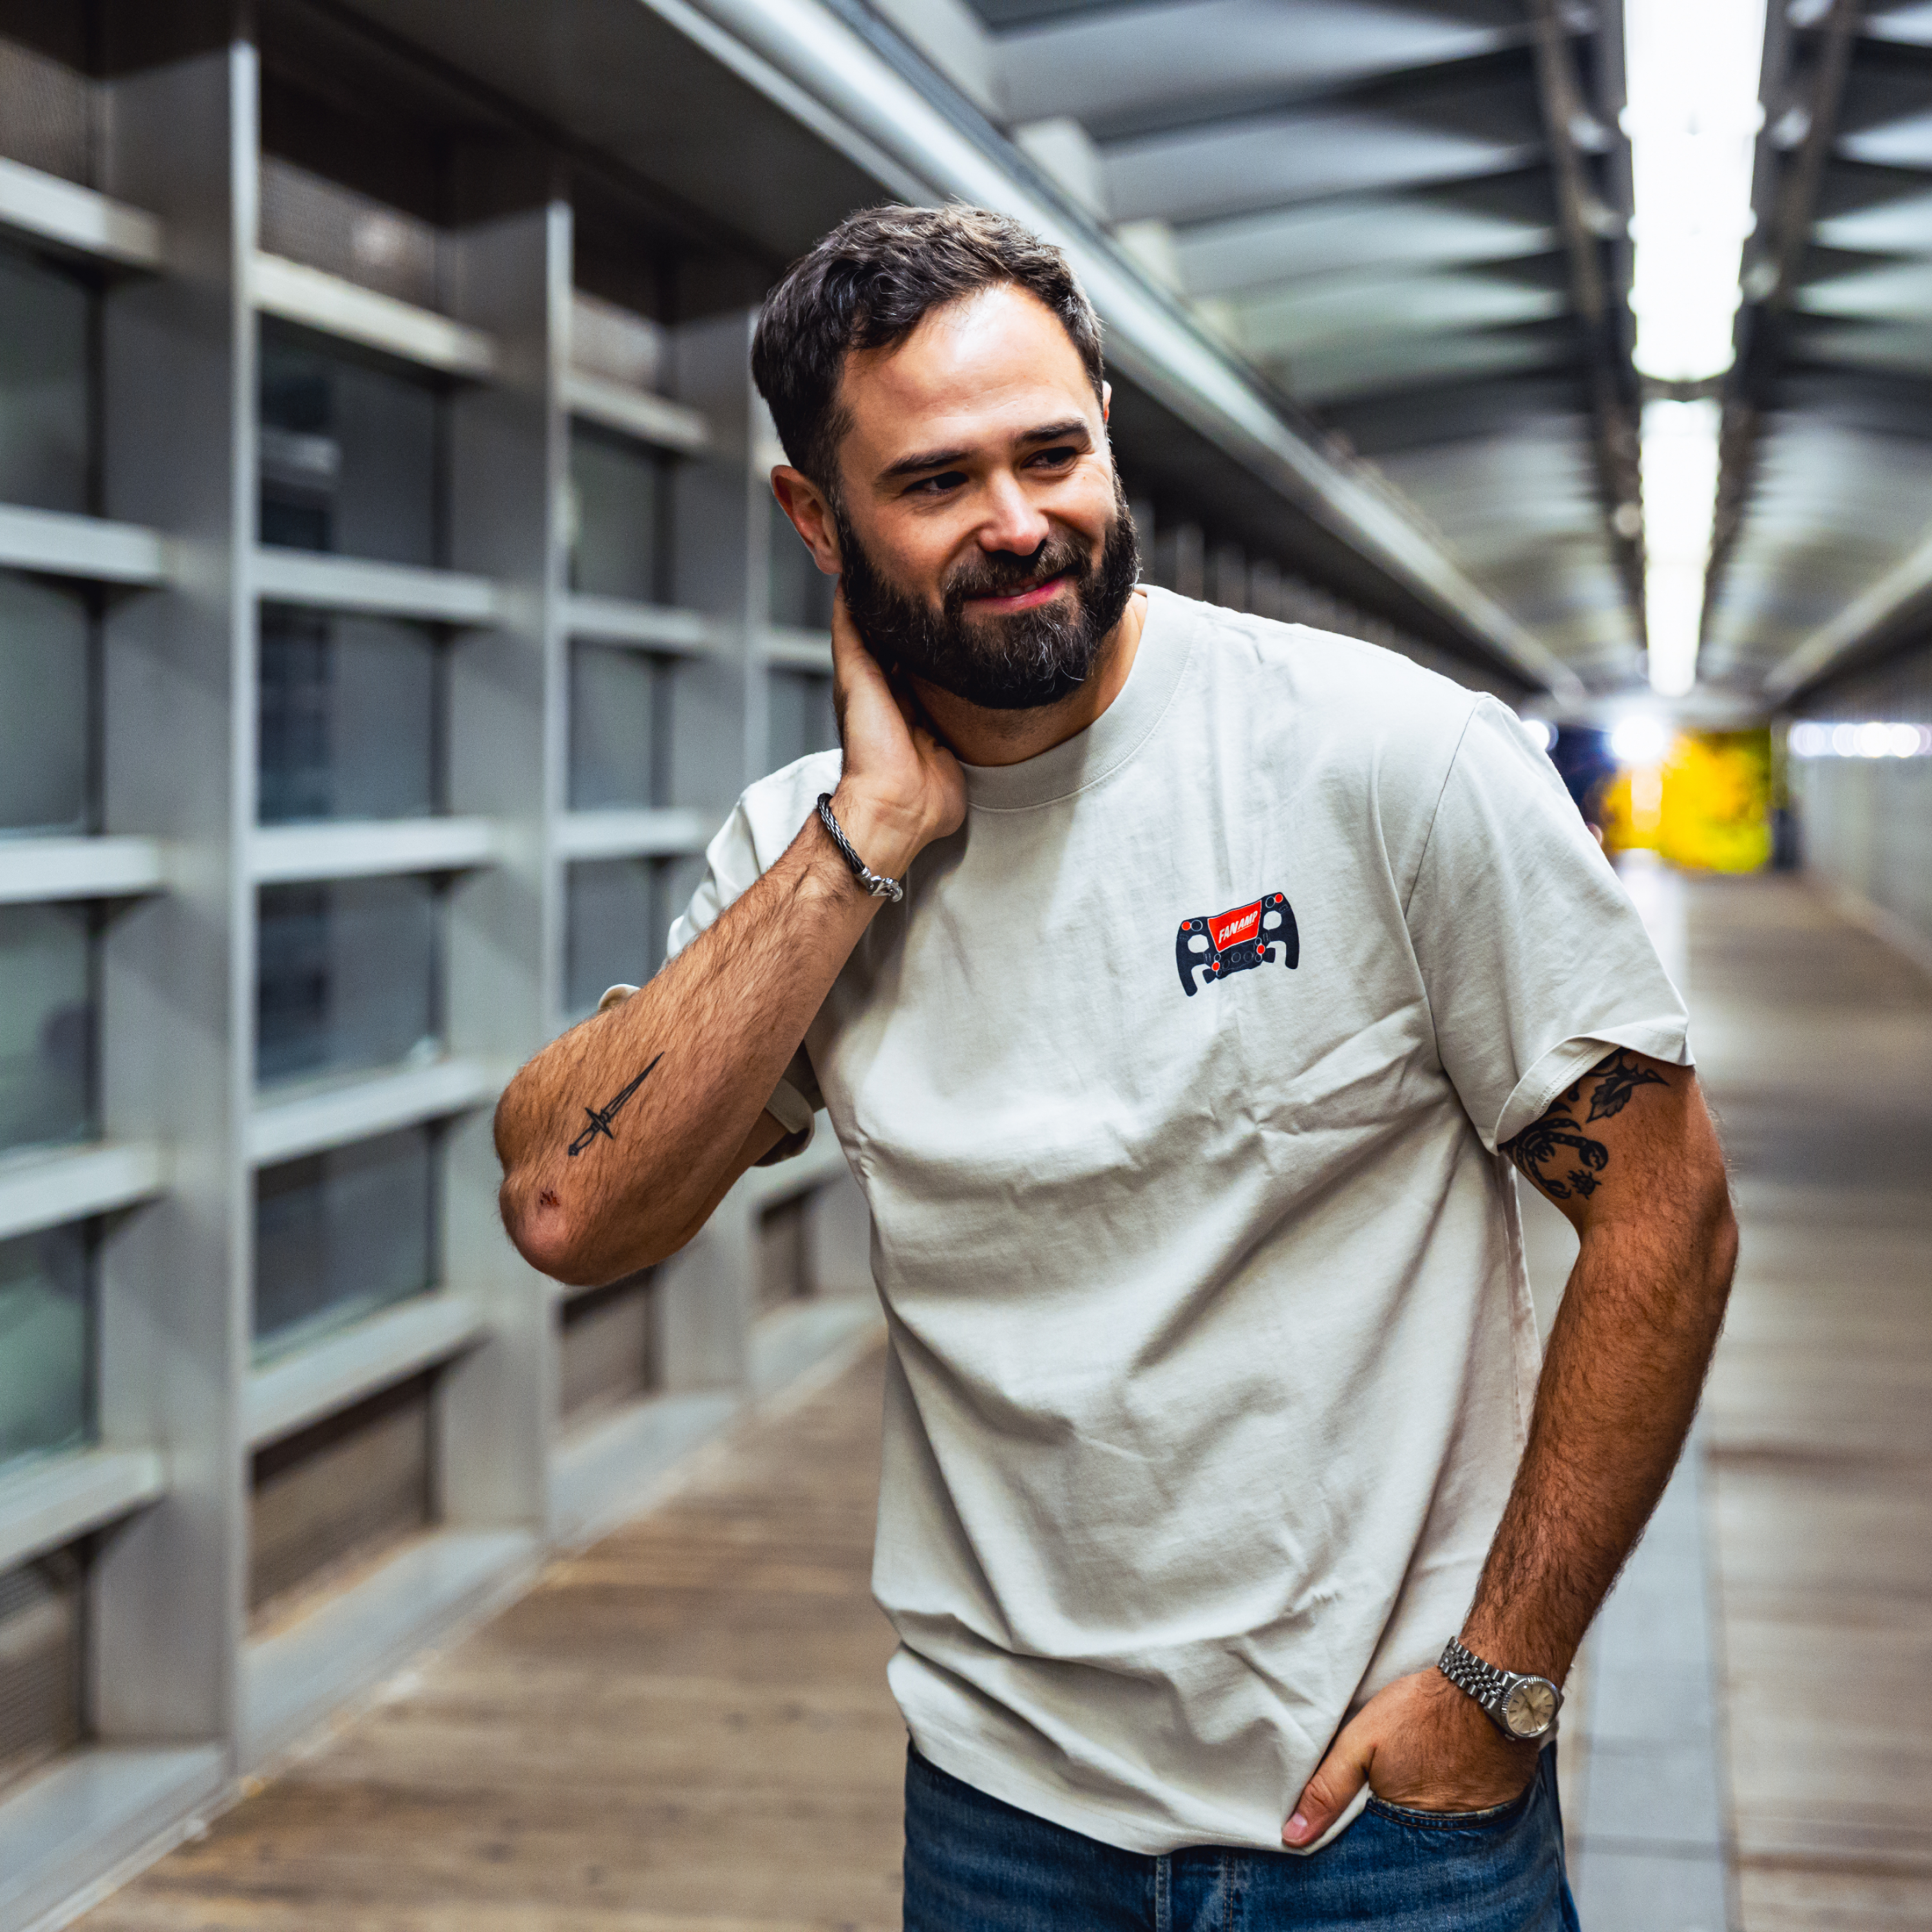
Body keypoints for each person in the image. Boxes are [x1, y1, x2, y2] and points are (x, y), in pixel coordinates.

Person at [494, 205, 1736, 1929]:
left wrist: (1501, 1681)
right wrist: (866, 838)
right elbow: (567, 1199)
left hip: (1383, 1824)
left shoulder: (1386, 764)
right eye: (936, 485)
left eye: (1054, 454)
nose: (1022, 525)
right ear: (815, 516)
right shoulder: (807, 860)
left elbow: (1666, 1215)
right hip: (1002, 1818)